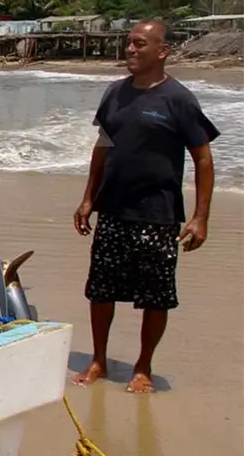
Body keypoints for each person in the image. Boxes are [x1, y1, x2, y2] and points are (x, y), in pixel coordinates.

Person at [72, 19, 218, 393]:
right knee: (100, 290)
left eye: (139, 43)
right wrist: (89, 198)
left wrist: (200, 217)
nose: (131, 50)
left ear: (162, 50)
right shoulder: (114, 93)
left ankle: (143, 367)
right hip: (114, 210)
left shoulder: (178, 98)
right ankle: (99, 360)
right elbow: (102, 146)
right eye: (129, 44)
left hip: (158, 214)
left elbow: (202, 158)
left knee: (155, 296)